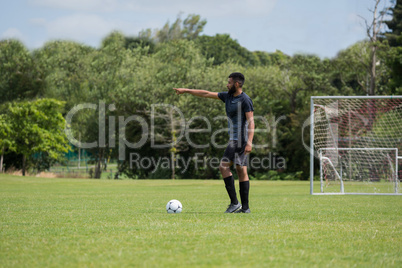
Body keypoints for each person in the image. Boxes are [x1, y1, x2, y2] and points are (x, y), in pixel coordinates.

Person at [173, 72, 254, 213]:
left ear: (236, 84)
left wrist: (250, 142)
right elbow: (206, 94)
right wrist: (186, 90)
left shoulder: (245, 100)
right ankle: (245, 208)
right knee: (241, 170)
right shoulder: (228, 96)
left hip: (239, 139)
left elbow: (251, 121)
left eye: (229, 82)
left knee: (223, 167)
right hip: (235, 139)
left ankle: (235, 203)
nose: (226, 84)